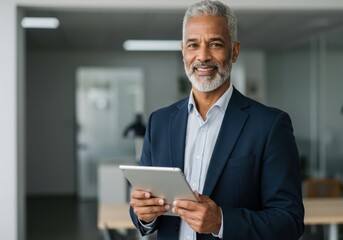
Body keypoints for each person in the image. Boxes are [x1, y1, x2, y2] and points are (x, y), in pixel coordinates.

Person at [129, 0, 304, 239]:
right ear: (183, 52)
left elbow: (290, 221)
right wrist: (144, 215)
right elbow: (144, 207)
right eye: (193, 45)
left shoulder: (270, 125)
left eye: (215, 44)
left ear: (234, 51)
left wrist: (222, 221)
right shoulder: (159, 122)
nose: (202, 56)